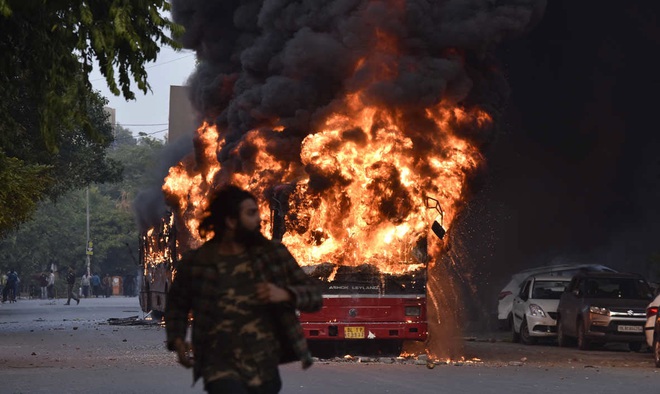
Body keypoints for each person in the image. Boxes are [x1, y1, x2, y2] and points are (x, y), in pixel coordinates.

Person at [165, 185, 323, 394]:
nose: (259, 220)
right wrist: (177, 338)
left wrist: (285, 294)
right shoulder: (198, 262)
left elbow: (313, 296)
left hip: (264, 363)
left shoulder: (272, 254)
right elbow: (177, 303)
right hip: (218, 364)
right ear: (231, 221)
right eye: (251, 213)